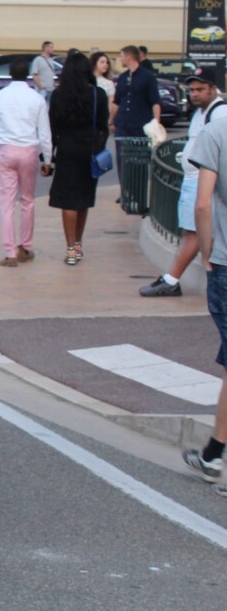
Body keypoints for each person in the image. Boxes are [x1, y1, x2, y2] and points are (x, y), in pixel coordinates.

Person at [140, 66, 224, 297]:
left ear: (213, 89)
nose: (194, 94)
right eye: (192, 89)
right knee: (192, 231)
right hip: (191, 179)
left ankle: (172, 279)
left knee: (194, 232)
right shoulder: (200, 113)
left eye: (200, 89)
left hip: (203, 181)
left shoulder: (219, 113)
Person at [184, 97, 227, 487]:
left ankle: (216, 455)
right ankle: (214, 453)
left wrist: (208, 251)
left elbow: (202, 204)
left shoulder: (217, 130)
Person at [0, 58, 53, 267]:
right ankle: (25, 246)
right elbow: (44, 132)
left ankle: (10, 252)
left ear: (10, 73)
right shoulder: (37, 98)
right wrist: (47, 158)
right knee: (28, 200)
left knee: (6, 203)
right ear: (28, 74)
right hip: (29, 151)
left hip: (7, 150)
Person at [48, 51, 110, 266]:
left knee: (68, 200)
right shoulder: (97, 95)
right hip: (89, 150)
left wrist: (49, 158)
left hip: (66, 149)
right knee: (83, 199)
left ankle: (70, 247)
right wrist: (98, 149)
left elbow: (52, 129)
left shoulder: (58, 96)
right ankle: (79, 244)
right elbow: (104, 127)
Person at [113, 44, 161, 139]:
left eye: (121, 56)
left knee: (140, 153)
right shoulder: (122, 77)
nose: (120, 59)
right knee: (122, 153)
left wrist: (156, 123)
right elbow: (117, 101)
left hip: (141, 125)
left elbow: (155, 102)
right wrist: (110, 121)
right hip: (122, 126)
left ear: (129, 56)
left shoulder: (148, 77)